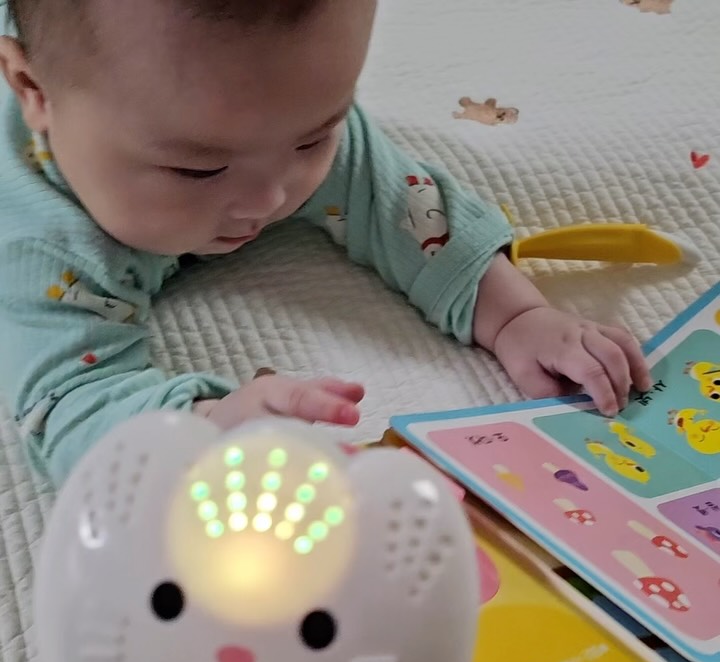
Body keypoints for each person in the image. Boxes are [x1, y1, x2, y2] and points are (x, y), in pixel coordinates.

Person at [0, 0, 651, 488]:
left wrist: (516, 315)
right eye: (197, 169)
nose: (270, 198)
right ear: (35, 92)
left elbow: (402, 206)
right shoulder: (41, 244)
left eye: (314, 138)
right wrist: (206, 434)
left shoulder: (270, 118)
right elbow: (72, 411)